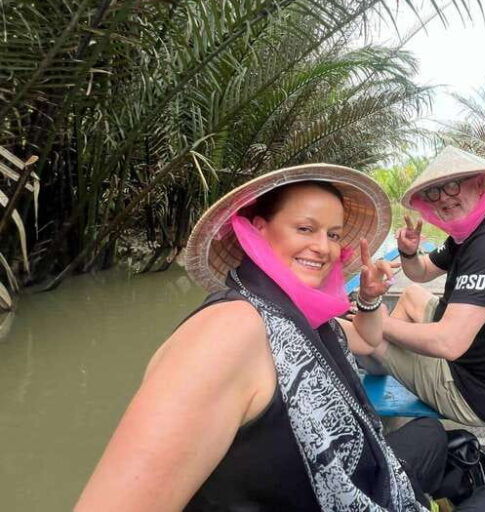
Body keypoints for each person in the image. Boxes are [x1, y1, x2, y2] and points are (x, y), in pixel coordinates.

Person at [75, 164, 448, 511]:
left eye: (333, 235)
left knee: (432, 433)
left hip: (361, 483)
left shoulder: (301, 316)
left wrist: (367, 298)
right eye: (305, 228)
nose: (324, 247)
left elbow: (367, 342)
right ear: (258, 228)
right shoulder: (228, 331)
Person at [374, 146, 485, 427]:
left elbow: (448, 343)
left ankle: (381, 353)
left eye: (453, 185)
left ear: (482, 184)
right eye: (434, 192)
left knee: (369, 333)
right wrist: (408, 252)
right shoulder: (469, 235)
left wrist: (379, 324)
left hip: (472, 395)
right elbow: (421, 273)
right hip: (480, 362)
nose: (444, 198)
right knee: (411, 295)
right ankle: (389, 357)